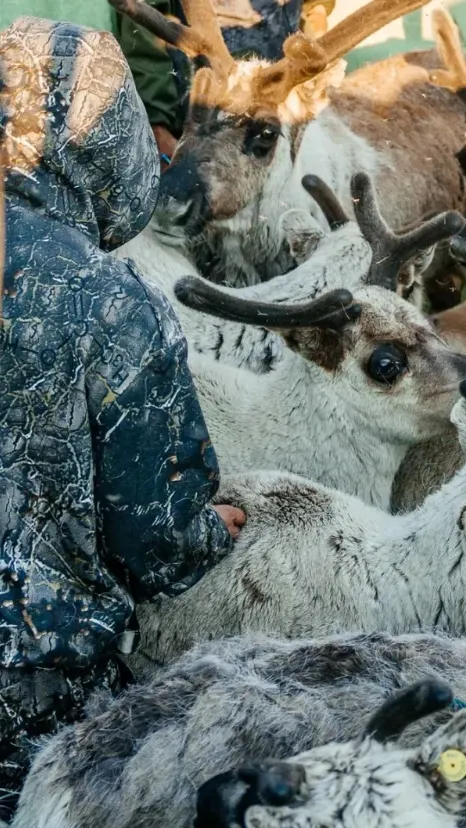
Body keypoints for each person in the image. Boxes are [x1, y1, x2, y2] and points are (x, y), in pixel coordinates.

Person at [1, 17, 244, 815]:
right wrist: (220, 524)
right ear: (112, 140)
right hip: (33, 702)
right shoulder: (113, 305)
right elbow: (158, 545)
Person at [113, 0, 315, 168]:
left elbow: (314, 7)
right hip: (194, 125)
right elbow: (146, 27)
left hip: (275, 131)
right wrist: (157, 126)